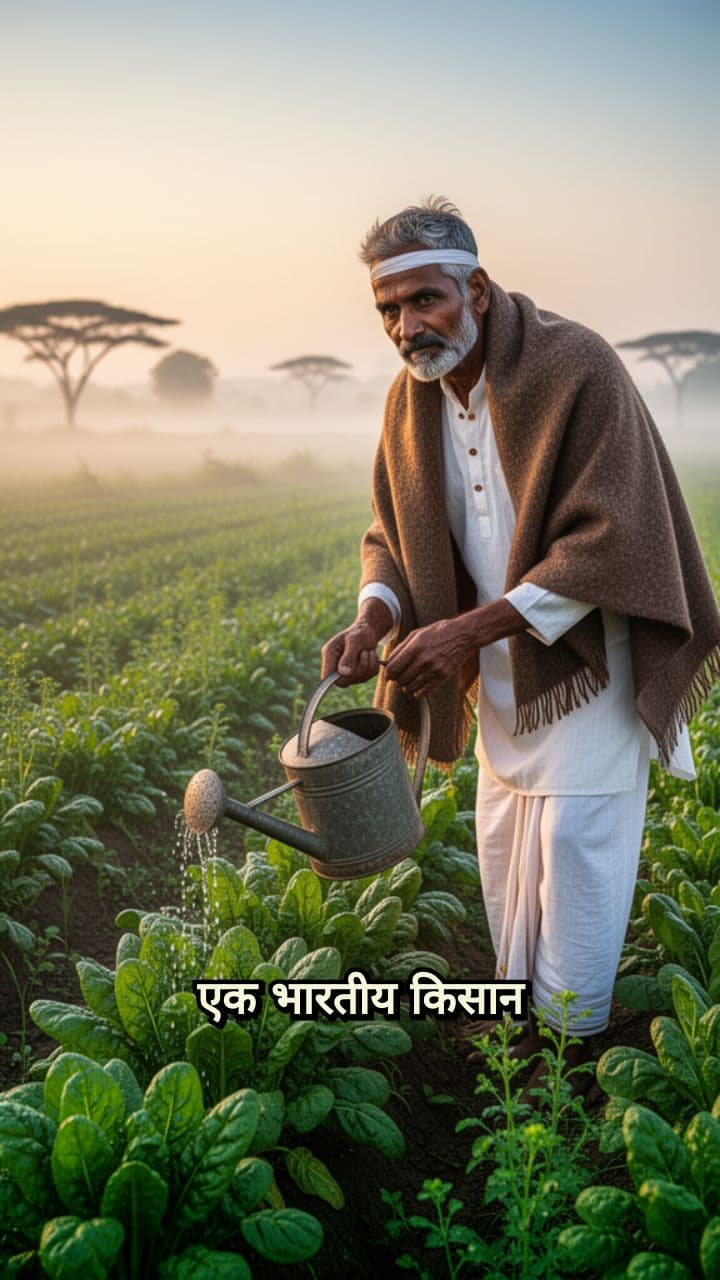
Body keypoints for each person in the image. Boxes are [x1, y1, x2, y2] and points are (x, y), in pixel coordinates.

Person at [320, 197, 720, 1086]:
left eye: (426, 300)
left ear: (480, 289)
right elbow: (391, 532)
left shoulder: (576, 367)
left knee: (576, 846)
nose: (407, 327)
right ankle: (520, 1028)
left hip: (590, 666)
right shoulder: (409, 399)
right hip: (501, 675)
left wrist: (467, 627)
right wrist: (375, 616)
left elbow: (616, 538)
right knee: (506, 846)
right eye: (389, 310)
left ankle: (572, 1047)